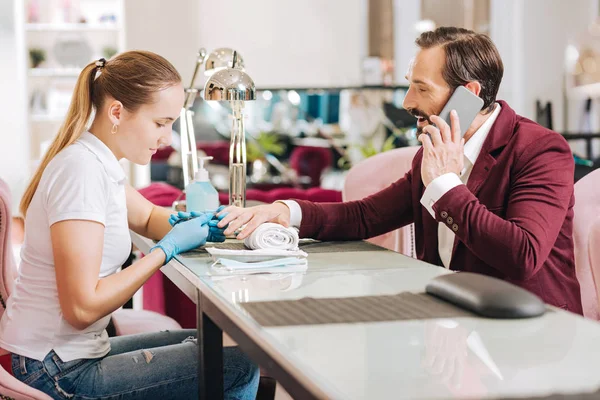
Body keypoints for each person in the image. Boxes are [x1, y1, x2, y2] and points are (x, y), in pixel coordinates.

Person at [216, 27, 583, 314]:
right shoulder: (433, 149)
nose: (408, 102)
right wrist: (285, 211)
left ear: (468, 94)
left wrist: (444, 185)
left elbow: (523, 256)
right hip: (449, 317)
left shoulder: (539, 150)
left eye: (420, 88)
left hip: (529, 332)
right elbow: (365, 215)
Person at [0, 51, 259, 399]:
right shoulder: (81, 171)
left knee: (210, 347)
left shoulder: (99, 164)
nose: (167, 138)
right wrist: (163, 252)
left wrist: (206, 224)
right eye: (160, 123)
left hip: (62, 356)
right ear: (117, 112)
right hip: (51, 368)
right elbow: (81, 309)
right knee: (238, 364)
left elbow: (148, 217)